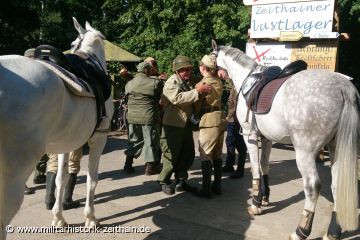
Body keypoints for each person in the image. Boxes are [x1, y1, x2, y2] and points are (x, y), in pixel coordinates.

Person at [157, 55, 212, 195]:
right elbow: (177, 98)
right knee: (171, 155)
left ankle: (181, 180)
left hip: (185, 124)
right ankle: (164, 181)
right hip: (172, 125)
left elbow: (203, 79)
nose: (187, 72)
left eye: (189, 69)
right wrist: (198, 91)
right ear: (177, 70)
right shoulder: (171, 82)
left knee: (188, 154)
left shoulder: (188, 80)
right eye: (183, 70)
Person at [193, 55, 227, 199]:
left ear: (202, 68)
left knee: (205, 153)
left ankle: (206, 189)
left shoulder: (203, 84)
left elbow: (196, 104)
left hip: (208, 120)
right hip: (220, 118)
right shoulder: (218, 81)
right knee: (217, 153)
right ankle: (217, 186)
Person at [123, 62, 163, 175]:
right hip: (149, 117)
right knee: (150, 141)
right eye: (150, 69)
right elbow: (162, 96)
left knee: (133, 140)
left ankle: (128, 165)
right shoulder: (155, 82)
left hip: (132, 117)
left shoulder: (129, 83)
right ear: (146, 71)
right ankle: (150, 167)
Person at [222, 85, 248, 178]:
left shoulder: (239, 85)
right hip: (232, 120)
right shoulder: (234, 85)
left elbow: (235, 104)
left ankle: (240, 170)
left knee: (240, 146)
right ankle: (229, 165)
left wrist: (228, 117)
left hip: (237, 120)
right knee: (230, 143)